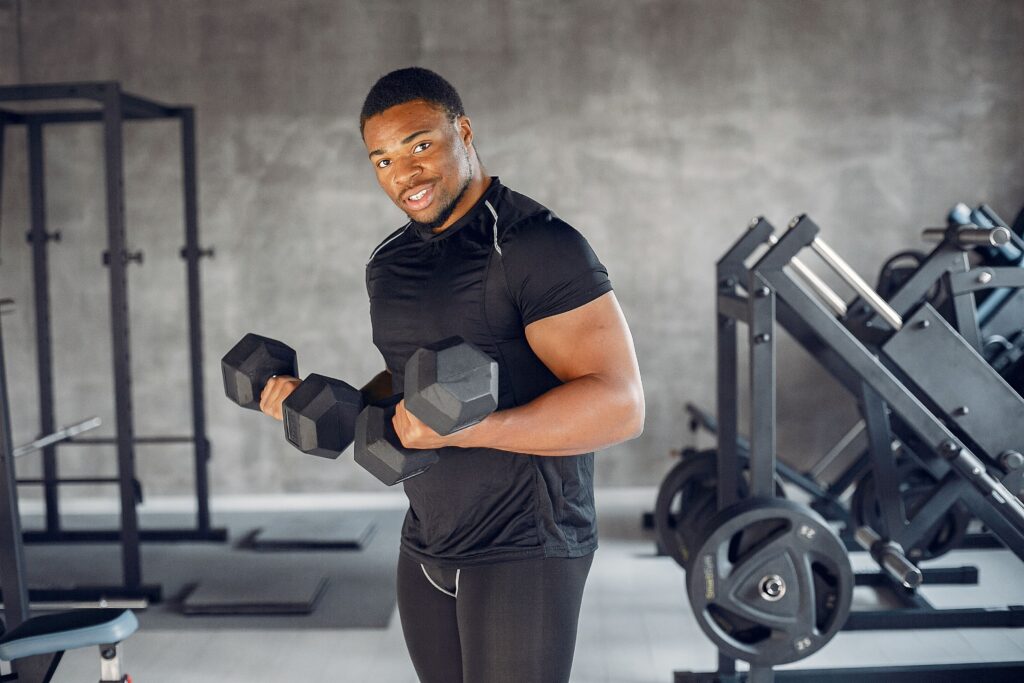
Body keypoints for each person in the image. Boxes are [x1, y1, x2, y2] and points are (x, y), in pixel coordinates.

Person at [259, 67, 644, 683]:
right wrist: (323, 407)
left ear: (463, 131)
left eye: (420, 145)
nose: (403, 174)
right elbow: (411, 385)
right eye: (381, 160)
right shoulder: (387, 263)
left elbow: (620, 405)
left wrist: (469, 432)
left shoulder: (537, 246)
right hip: (428, 540)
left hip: (527, 546)